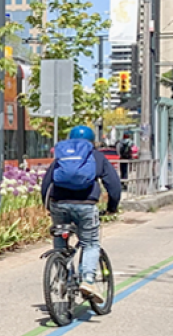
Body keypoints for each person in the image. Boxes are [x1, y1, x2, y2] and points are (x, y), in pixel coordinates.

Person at [41, 126, 122, 304]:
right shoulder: (96, 156)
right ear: (93, 141)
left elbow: (47, 182)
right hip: (86, 205)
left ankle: (62, 275)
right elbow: (113, 185)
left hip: (59, 203)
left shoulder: (63, 155)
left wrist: (47, 206)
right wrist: (112, 206)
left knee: (60, 240)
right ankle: (88, 281)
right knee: (91, 243)